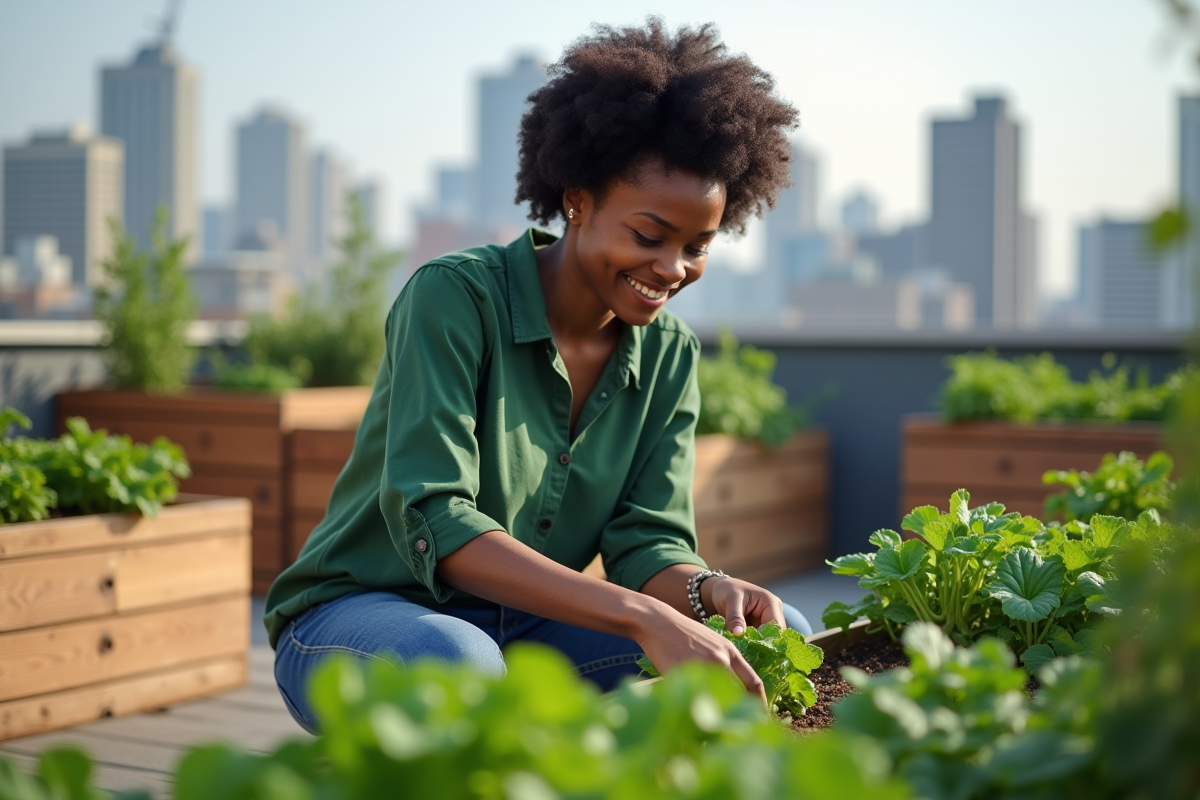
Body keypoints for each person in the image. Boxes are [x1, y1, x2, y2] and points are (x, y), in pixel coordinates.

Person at [265, 18, 807, 734]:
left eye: (696, 246)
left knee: (774, 637)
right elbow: (439, 519)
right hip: (362, 622)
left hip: (529, 633)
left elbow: (648, 542)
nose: (672, 269)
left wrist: (706, 591)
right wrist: (644, 617)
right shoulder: (455, 298)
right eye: (648, 235)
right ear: (578, 198)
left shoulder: (669, 354)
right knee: (457, 661)